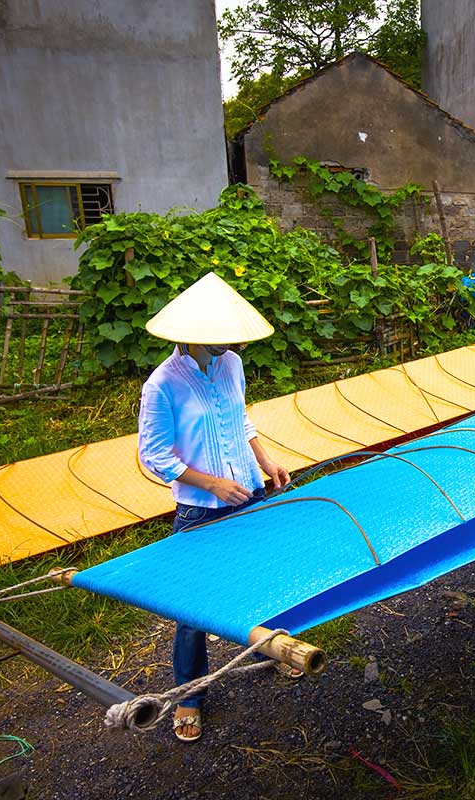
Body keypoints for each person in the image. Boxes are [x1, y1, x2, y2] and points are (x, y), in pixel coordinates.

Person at [136, 271, 292, 742]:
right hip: (201, 507)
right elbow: (155, 454)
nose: (228, 342)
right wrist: (212, 485)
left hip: (248, 490)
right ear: (191, 334)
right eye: (218, 336)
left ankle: (268, 649)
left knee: (260, 577)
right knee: (194, 605)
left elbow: (240, 418)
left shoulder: (231, 365)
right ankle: (189, 694)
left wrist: (266, 461)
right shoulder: (161, 384)